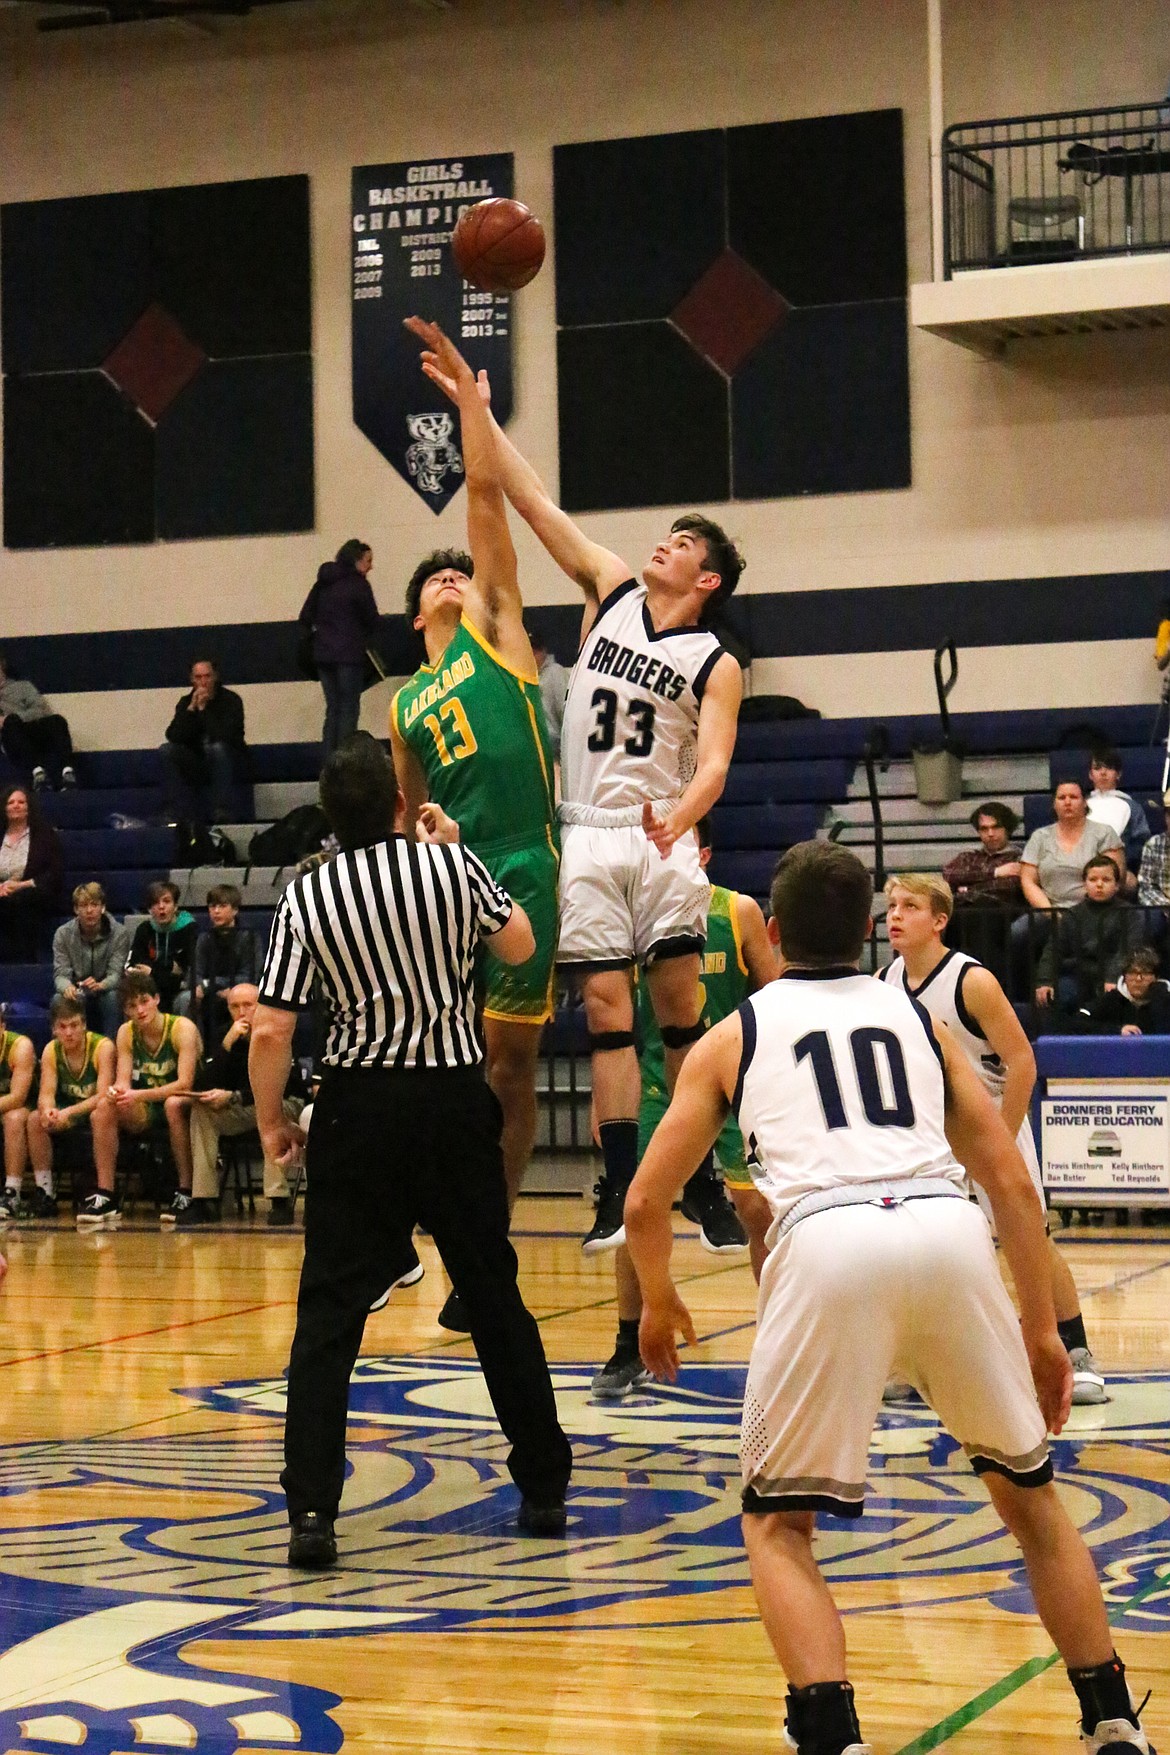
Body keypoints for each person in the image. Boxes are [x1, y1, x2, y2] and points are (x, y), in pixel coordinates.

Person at [625, 840, 1154, 1755]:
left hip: (827, 1240)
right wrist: (1043, 1330)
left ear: (776, 933)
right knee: (1032, 1500)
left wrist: (659, 1301)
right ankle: (1111, 1717)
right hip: (948, 1228)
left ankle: (833, 1736)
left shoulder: (732, 1035)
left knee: (779, 1524)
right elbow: (1015, 1190)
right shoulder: (922, 1024)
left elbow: (643, 1199)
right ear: (870, 925)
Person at [427, 328, 745, 1258]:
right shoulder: (607, 588)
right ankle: (617, 1183)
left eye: (684, 541)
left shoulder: (717, 659)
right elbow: (527, 498)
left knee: (681, 1008)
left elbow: (716, 763)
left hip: (661, 834)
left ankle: (704, 1180)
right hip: (587, 830)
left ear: (707, 577)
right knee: (608, 1013)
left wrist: (680, 819)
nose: (665, 541)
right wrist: (475, 412)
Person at [249, 733, 573, 1568]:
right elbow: (522, 946)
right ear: (400, 802)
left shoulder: (307, 895)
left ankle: (313, 1510)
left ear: (329, 816)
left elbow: (275, 1029)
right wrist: (459, 858)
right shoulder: (450, 868)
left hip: (358, 1107)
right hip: (450, 1098)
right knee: (493, 1296)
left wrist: (272, 1125)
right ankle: (542, 1484)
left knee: (328, 1315)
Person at [391, 320, 561, 1330]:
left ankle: (483, 1247)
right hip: (446, 878)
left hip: (525, 862)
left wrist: (471, 412)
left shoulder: (499, 633)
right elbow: (410, 808)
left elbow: (489, 504)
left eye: (459, 573)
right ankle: (417, 1225)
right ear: (415, 614)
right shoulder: (404, 707)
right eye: (436, 579)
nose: (453, 577)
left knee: (508, 1062)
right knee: (431, 1064)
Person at [882, 872, 1106, 1405]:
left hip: (993, 1126)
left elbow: (1023, 1060)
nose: (894, 915)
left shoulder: (970, 980)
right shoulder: (886, 981)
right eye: (891, 905)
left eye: (909, 906)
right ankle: (927, 1359)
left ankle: (1076, 1351)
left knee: (1029, 1239)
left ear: (939, 920)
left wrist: (1000, 1140)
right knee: (930, 1248)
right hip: (933, 1140)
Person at [593, 819, 777, 1401]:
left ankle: (779, 1337)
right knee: (635, 1213)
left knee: (757, 1213)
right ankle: (628, 1345)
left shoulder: (737, 910)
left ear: (703, 853)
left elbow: (775, 992)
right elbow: (612, 1012)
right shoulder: (630, 916)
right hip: (658, 1082)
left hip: (733, 1080)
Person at [186, 982, 305, 1228]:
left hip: (284, 1104)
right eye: (234, 1007)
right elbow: (203, 1084)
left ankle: (278, 1199)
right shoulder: (225, 1034)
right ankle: (204, 1199)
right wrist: (227, 1045)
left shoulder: (277, 1031)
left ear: (260, 1006)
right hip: (242, 1108)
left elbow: (280, 1087)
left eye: (248, 1005)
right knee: (201, 1111)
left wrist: (234, 1096)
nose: (241, 1012)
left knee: (270, 1110)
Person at [1014, 779, 1123, 997]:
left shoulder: (1104, 833)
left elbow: (1112, 874)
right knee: (1018, 932)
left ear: (1085, 802)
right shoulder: (1040, 836)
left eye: (1073, 797)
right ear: (1054, 804)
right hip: (1050, 909)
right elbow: (1027, 879)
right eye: (1061, 797)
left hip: (1093, 908)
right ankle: (1026, 995)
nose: (1067, 802)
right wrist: (1050, 912)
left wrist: (1078, 912)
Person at [110, 972, 201, 1225]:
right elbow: (123, 1081)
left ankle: (185, 1189)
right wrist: (117, 1092)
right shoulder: (126, 1033)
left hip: (189, 1103)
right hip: (149, 1105)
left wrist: (137, 1094)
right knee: (107, 1107)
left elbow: (185, 1084)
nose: (139, 1010)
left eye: (144, 1001)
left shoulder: (181, 1028)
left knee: (172, 1104)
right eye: (131, 1005)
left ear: (157, 999)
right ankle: (105, 1192)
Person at [31, 995, 120, 1229]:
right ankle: (45, 1191)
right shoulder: (52, 1050)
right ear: (54, 1030)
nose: (69, 1032)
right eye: (62, 1027)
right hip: (69, 1113)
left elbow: (103, 1094)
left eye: (74, 1026)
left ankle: (105, 1193)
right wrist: (48, 1110)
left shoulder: (103, 1047)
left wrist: (68, 1112)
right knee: (34, 1119)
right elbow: (46, 1092)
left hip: (93, 1112)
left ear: (84, 1025)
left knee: (101, 1110)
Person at [300, 539, 380, 760]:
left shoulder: (323, 583)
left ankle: (328, 768)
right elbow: (372, 619)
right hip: (350, 657)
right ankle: (346, 764)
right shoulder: (359, 585)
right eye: (368, 561)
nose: (370, 566)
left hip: (323, 657)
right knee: (349, 710)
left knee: (332, 710)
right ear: (356, 560)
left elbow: (305, 616)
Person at [1036, 855, 1146, 1016]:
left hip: (1118, 976)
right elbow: (1053, 949)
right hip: (1078, 975)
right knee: (1059, 997)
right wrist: (1045, 981)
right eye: (1093, 879)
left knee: (1115, 1000)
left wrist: (1112, 977)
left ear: (1116, 886)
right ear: (1084, 884)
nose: (1099, 884)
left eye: (1106, 880)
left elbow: (1128, 949)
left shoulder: (1129, 913)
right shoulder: (1072, 914)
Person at [163, 658, 246, 829]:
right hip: (198, 762)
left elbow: (225, 737)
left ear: (215, 676)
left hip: (229, 760)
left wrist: (203, 710)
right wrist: (191, 709)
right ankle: (176, 812)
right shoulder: (186, 702)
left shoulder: (231, 701)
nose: (203, 682)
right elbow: (174, 736)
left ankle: (221, 810)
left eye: (207, 676)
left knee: (217, 749)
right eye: (198, 677)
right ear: (192, 680)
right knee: (167, 750)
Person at [52, 882, 130, 1040]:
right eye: (83, 905)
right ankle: (63, 1052)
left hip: (106, 988)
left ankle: (112, 1049)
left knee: (113, 997)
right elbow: (60, 974)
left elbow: (116, 974)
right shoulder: (62, 934)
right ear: (76, 909)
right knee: (58, 999)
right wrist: (67, 988)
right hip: (77, 988)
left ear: (102, 908)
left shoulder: (120, 933)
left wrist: (101, 985)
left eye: (94, 905)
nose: (89, 910)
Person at [0, 784, 63, 962]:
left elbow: (54, 873)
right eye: (11, 802)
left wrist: (20, 886)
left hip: (32, 895)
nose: (16, 805)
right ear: (4, 808)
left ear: (29, 807)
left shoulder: (44, 835)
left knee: (20, 904)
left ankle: (24, 964)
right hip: (2, 895)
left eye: (21, 802)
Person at [191, 884, 260, 1045]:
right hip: (211, 992)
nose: (216, 911)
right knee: (187, 998)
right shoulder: (204, 938)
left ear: (235, 910)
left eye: (222, 906)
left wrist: (213, 984)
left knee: (238, 998)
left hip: (237, 990)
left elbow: (250, 974)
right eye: (212, 906)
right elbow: (196, 972)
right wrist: (203, 986)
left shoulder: (248, 936)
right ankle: (197, 1053)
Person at [0, 651, 76, 790]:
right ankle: (38, 774)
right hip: (10, 738)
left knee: (57, 721)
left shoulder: (22, 687)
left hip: (31, 729)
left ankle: (67, 771)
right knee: (11, 724)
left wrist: (14, 718)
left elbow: (39, 710)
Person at [124, 880, 198, 1014]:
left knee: (185, 999)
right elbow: (134, 966)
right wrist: (169, 969)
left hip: (178, 991)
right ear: (149, 909)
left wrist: (151, 971)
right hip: (150, 990)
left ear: (175, 906)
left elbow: (183, 975)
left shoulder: (189, 929)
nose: (161, 907)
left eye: (166, 901)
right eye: (155, 903)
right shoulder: (144, 929)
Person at [1086, 748, 1149, 889]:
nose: (1103, 773)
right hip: (1081, 866)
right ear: (1090, 774)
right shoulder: (1080, 804)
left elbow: (1141, 843)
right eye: (1097, 768)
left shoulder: (1132, 807)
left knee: (1130, 882)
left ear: (1118, 774)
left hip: (1117, 869)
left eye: (1109, 768)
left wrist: (1119, 862)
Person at [1077, 944, 1170, 1034]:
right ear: (1124, 976)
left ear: (1156, 977)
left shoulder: (1164, 999)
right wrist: (1116, 1031)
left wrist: (1160, 1000)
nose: (1138, 979)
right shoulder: (1113, 999)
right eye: (1132, 972)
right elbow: (1077, 1023)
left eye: (1145, 973)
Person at [0, 1019, 39, 1220]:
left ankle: (12, 1193)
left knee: (13, 1118)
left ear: (3, 1026)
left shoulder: (20, 1046)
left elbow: (17, 1097)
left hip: (28, 1106)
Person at [526, 625, 571, 767]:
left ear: (544, 650)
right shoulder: (523, 677)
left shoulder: (555, 673)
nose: (533, 654)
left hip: (554, 755)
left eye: (536, 650)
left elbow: (566, 716)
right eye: (529, 650)